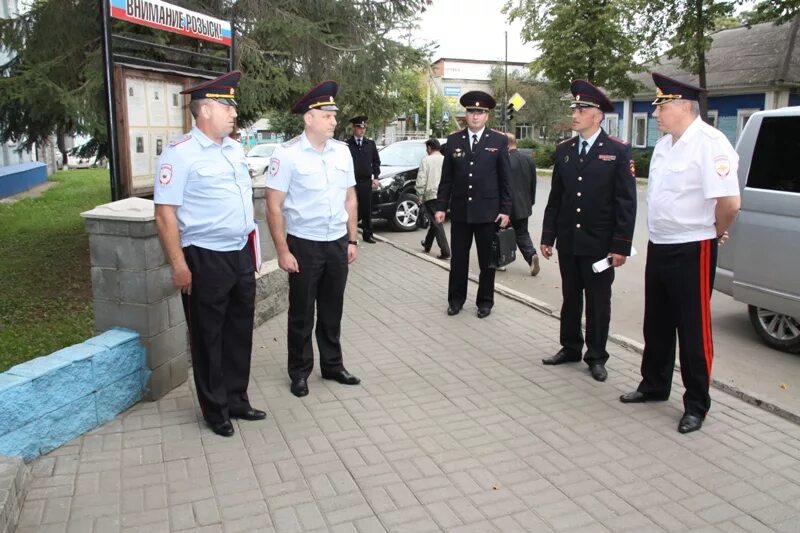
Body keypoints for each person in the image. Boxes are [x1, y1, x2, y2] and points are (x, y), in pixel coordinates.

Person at [620, 73, 740, 434]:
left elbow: (730, 202)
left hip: (693, 246)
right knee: (656, 321)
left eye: (662, 106)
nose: (656, 113)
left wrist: (716, 232)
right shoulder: (664, 145)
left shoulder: (710, 142)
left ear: (684, 107)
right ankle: (654, 385)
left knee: (693, 328)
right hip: (661, 243)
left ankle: (696, 404)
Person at [153, 71, 266, 438]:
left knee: (239, 331)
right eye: (226, 105)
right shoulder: (180, 154)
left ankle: (237, 398)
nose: (234, 111)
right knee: (207, 336)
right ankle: (215, 410)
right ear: (204, 111)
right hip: (205, 257)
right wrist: (179, 265)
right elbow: (165, 213)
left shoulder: (233, 148)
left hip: (239, 254)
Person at [265, 80, 362, 398]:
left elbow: (350, 198)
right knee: (302, 312)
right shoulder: (287, 154)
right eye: (328, 115)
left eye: (335, 115)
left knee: (333, 308)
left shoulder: (343, 152)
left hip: (336, 242)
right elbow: (273, 206)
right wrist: (282, 250)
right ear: (309, 118)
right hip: (303, 243)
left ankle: (333, 366)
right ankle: (300, 371)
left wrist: (352, 240)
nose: (335, 120)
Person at [540, 80, 637, 382]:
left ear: (598, 115)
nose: (576, 112)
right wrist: (547, 236)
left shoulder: (617, 151)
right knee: (571, 297)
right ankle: (570, 347)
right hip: (569, 240)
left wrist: (620, 246)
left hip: (599, 244)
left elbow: (626, 203)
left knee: (598, 302)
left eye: (582, 108)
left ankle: (596, 356)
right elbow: (556, 198)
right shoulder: (565, 150)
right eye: (574, 107)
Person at [435, 91, 511, 319]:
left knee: (487, 261)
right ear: (465, 115)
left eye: (480, 112)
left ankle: (485, 301)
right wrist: (440, 206)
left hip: (488, 213)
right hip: (460, 212)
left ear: (487, 116)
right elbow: (446, 178)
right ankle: (456, 300)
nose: (475, 116)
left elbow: (505, 178)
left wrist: (506, 209)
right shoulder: (454, 140)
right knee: (459, 259)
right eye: (471, 112)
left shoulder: (498, 141)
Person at [505, 132, 540, 276]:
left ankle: (502, 261)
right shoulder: (528, 160)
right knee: (522, 233)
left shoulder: (504, 160)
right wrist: (530, 201)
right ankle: (531, 255)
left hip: (506, 205)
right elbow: (533, 183)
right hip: (524, 204)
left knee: (503, 232)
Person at [346, 116, 381, 243]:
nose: (362, 130)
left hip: (366, 181)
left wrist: (376, 177)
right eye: (359, 127)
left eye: (364, 128)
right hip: (351, 182)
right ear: (354, 128)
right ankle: (349, 234)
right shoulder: (347, 144)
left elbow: (376, 162)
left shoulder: (370, 144)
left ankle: (368, 234)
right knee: (350, 207)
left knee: (366, 209)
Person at [416, 138, 450, 259]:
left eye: (427, 148)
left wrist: (419, 194)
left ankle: (445, 250)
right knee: (434, 220)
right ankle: (427, 244)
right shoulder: (446, 159)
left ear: (429, 148)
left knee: (437, 222)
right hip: (445, 195)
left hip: (431, 195)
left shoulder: (426, 160)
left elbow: (421, 179)